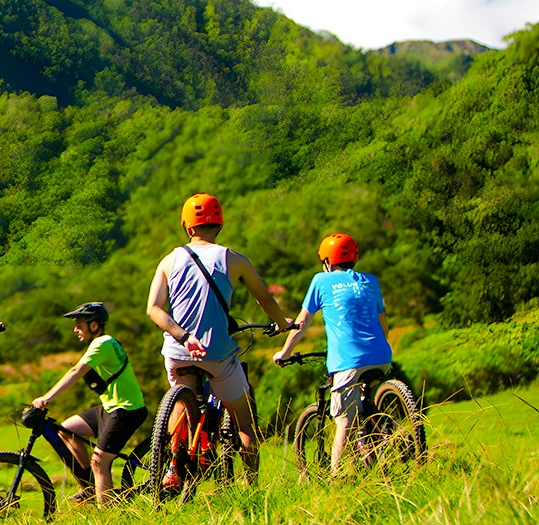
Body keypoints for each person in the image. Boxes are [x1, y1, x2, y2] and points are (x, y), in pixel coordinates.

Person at [145, 193, 292, 486]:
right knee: (244, 418)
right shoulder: (234, 259)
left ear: (187, 227)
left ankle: (174, 463)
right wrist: (281, 323)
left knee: (182, 400)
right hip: (217, 353)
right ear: (220, 225)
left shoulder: (170, 259)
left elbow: (153, 309)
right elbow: (264, 298)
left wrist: (185, 337)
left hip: (178, 349)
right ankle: (251, 487)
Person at [274, 232, 393, 474]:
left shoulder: (321, 281)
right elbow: (384, 324)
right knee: (367, 403)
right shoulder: (371, 281)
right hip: (381, 355)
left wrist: (284, 353)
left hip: (347, 361)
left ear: (327, 261)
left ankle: (336, 479)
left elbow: (303, 322)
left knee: (344, 423)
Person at [30, 302, 146, 506]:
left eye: (80, 324)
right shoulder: (102, 343)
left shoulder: (103, 343)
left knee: (99, 462)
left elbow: (76, 372)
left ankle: (108, 516)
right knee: (65, 430)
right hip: (110, 407)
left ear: (94, 325)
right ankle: (90, 487)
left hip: (126, 410)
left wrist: (45, 398)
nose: (75, 329)